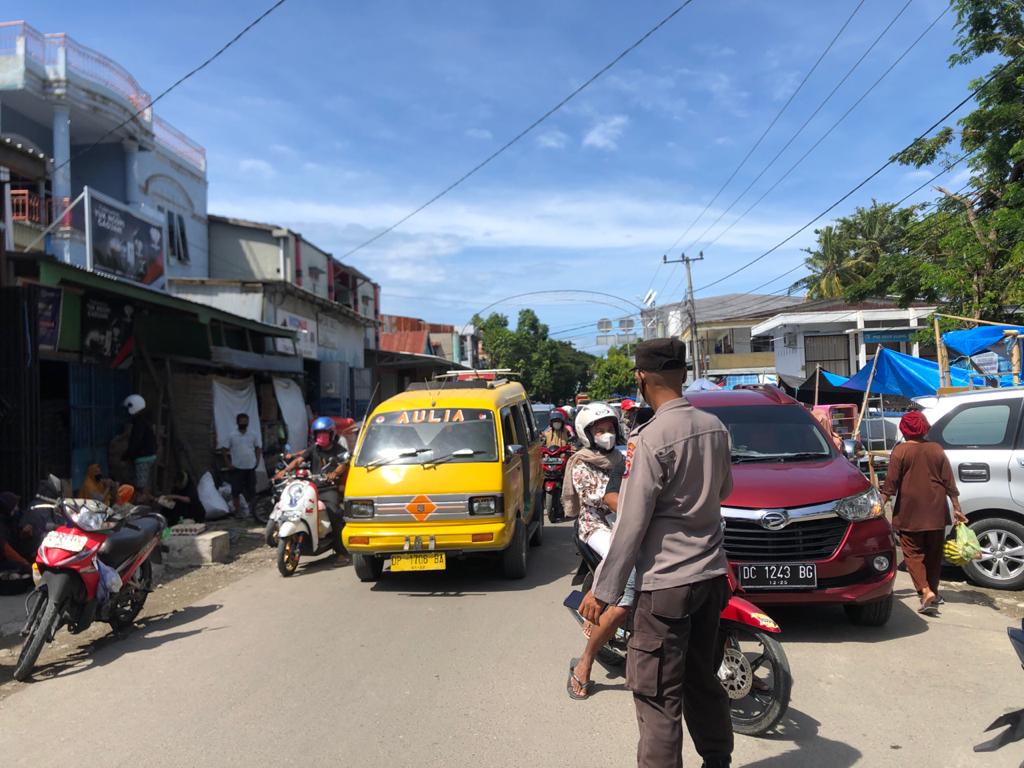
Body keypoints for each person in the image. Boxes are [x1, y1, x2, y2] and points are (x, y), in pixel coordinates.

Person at [580, 337, 735, 768]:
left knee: (657, 695)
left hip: (666, 585)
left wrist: (603, 590)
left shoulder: (649, 438)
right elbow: (725, 491)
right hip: (709, 577)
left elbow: (631, 522)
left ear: (641, 378)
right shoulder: (714, 427)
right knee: (703, 678)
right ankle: (717, 761)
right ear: (684, 374)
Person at [562, 403, 630, 700]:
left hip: (627, 521)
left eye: (610, 428)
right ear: (587, 434)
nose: (606, 434)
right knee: (624, 568)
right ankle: (585, 663)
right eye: (600, 430)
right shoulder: (581, 462)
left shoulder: (624, 456)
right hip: (596, 525)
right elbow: (600, 498)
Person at [880, 410, 965, 614]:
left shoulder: (900, 451)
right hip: (937, 511)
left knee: (913, 553)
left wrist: (879, 506)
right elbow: (948, 481)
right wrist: (956, 507)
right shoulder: (936, 449)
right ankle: (933, 592)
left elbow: (890, 485)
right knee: (934, 555)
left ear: (904, 429)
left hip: (910, 512)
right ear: (924, 427)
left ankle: (925, 591)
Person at [275, 416, 350, 537]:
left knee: (334, 513)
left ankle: (339, 547)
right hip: (312, 487)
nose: (321, 436)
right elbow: (299, 460)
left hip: (329, 488)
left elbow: (343, 464)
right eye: (319, 433)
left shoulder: (339, 449)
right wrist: (285, 470)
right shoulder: (314, 448)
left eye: (325, 433)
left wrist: (334, 473)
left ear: (331, 434)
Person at [222, 412, 262, 518]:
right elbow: (224, 449)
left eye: (246, 421)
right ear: (237, 422)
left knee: (251, 490)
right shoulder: (232, 435)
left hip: (250, 466)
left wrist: (257, 461)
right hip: (237, 467)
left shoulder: (253, 434)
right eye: (242, 421)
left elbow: (258, 448)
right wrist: (228, 463)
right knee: (236, 491)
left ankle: (253, 512)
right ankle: (238, 512)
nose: (244, 423)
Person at [122, 394, 157, 493]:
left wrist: (127, 454)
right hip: (150, 455)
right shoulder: (146, 420)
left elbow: (136, 441)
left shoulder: (139, 422)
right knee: (146, 483)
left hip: (143, 457)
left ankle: (142, 504)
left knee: (141, 485)